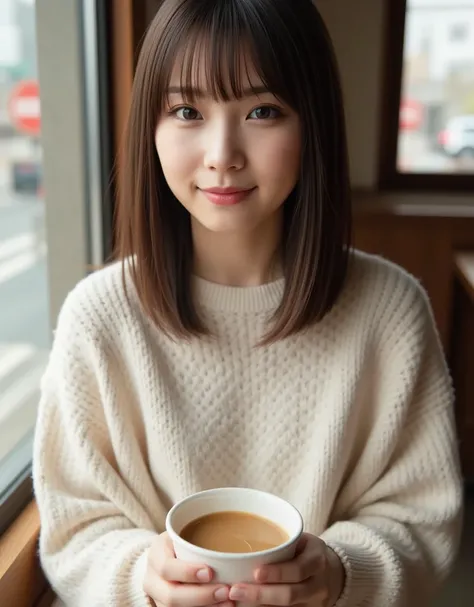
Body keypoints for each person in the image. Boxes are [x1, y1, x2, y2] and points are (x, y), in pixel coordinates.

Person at [33, 0, 463, 605]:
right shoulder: (99, 318)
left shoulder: (389, 310)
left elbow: (423, 518)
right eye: (186, 111)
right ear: (150, 130)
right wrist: (142, 579)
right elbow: (75, 526)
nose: (222, 154)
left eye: (263, 110)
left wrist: (340, 572)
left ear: (312, 122)